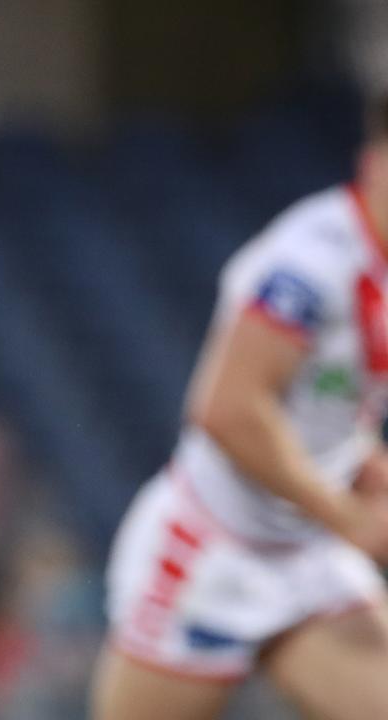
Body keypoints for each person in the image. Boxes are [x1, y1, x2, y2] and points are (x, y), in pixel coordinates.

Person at [92, 98, 388, 720]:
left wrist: (366, 468)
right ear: (373, 161)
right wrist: (348, 517)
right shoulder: (310, 262)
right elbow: (227, 411)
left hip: (306, 552)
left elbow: (330, 407)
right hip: (212, 547)